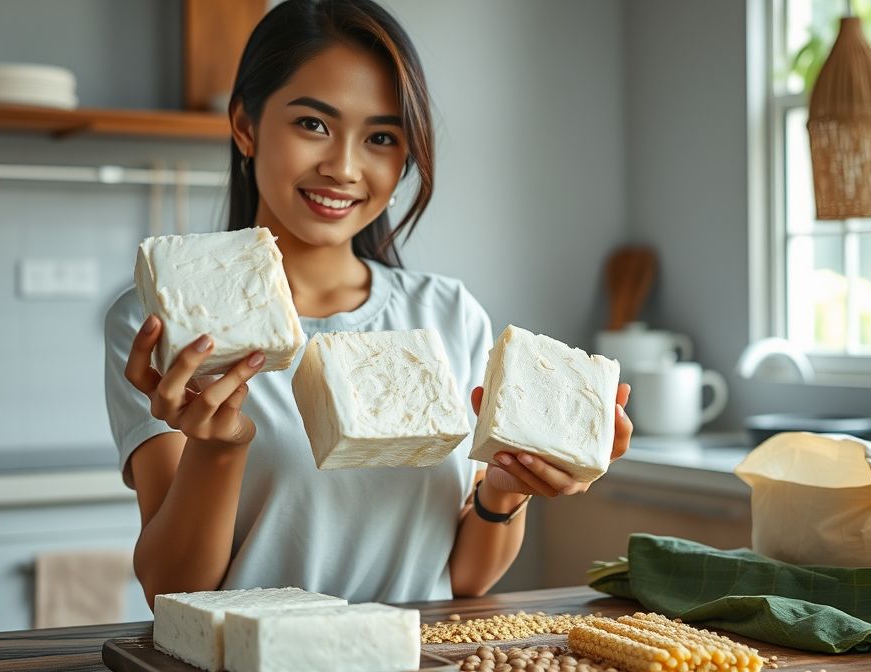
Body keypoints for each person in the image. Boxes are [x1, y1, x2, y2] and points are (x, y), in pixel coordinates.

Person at [103, 0, 633, 607]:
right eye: (313, 125)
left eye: (381, 137)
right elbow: (173, 591)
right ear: (246, 126)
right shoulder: (164, 322)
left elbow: (463, 581)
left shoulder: (447, 315)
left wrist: (505, 492)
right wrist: (218, 449)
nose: (344, 168)